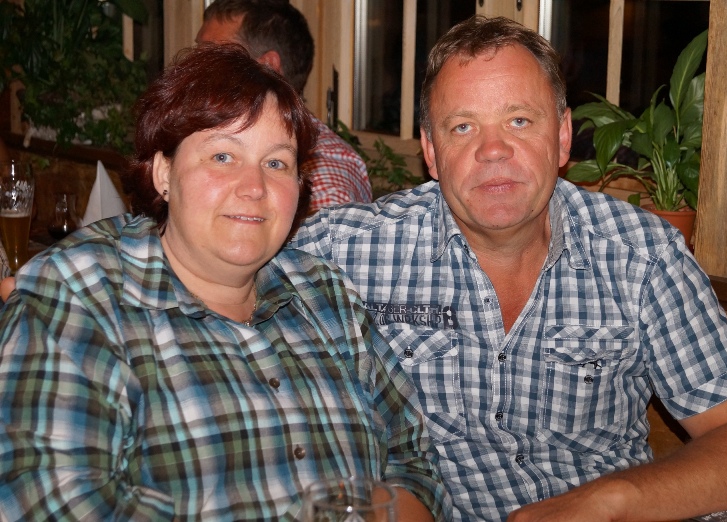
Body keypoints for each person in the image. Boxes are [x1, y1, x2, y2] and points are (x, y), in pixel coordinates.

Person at [289, 15, 727, 522]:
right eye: (463, 127)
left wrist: (607, 501)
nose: (493, 150)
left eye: (520, 121)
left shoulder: (642, 255)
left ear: (564, 136)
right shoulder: (343, 250)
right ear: (432, 152)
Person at [0, 43, 450, 521]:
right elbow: (47, 499)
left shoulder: (326, 294)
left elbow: (413, 461)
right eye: (222, 156)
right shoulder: (77, 294)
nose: (254, 187)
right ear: (164, 172)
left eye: (276, 163)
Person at [197, 0, 373, 213]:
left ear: (267, 68)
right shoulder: (197, 140)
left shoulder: (324, 182)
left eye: (211, 56)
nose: (194, 68)